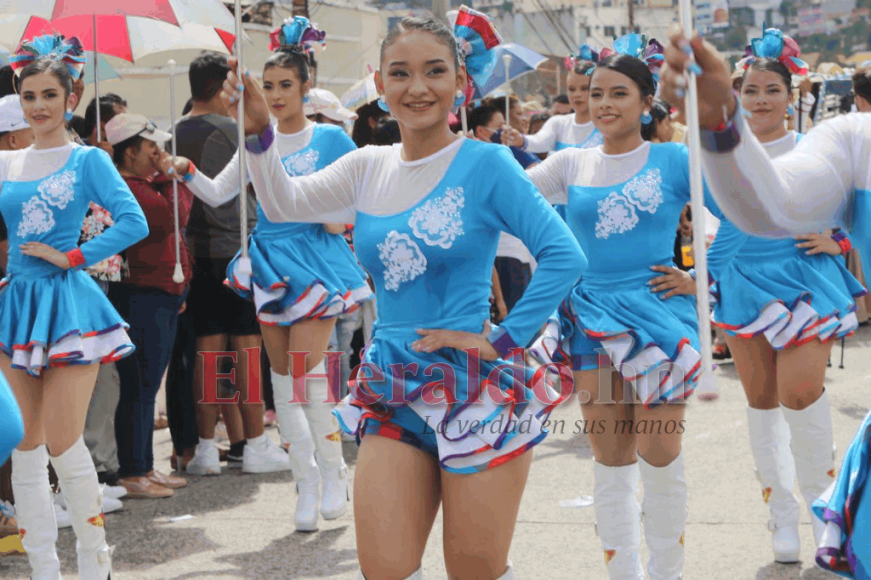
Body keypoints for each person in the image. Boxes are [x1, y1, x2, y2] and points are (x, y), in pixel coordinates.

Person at [219, 15, 586, 579]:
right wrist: (257, 137)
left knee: (474, 571)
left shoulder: (487, 164)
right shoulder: (367, 165)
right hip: (391, 379)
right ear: (380, 83)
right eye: (401, 73)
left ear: (460, 82)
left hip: (473, 386)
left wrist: (503, 339)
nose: (418, 87)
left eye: (434, 71)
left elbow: (564, 255)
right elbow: (284, 204)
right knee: (384, 568)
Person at [660, 24, 871, 578]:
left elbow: (849, 205)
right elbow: (695, 215)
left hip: (802, 276)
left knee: (799, 392)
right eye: (749, 90)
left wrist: (840, 242)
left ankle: (825, 515)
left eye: (771, 90)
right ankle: (779, 516)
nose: (759, 99)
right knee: (760, 401)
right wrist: (695, 272)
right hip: (739, 278)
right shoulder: (710, 148)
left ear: (792, 94)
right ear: (736, 95)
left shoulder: (816, 145)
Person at [185, 17, 373, 531]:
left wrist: (341, 219)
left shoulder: (332, 140)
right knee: (282, 379)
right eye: (266, 86)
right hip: (269, 261)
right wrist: (184, 171)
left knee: (308, 376)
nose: (274, 95)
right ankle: (306, 482)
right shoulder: (253, 141)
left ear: (306, 85)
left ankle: (333, 475)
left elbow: (365, 195)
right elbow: (218, 193)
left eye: (285, 85)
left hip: (316, 261)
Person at [525, 45, 703, 580]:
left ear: (647, 103)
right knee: (610, 455)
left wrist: (700, 279)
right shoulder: (572, 161)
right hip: (589, 319)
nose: (604, 103)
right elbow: (506, 199)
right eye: (596, 93)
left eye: (618, 94)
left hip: (657, 316)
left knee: (657, 449)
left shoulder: (675, 159)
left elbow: (733, 212)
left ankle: (666, 572)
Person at [2, 34, 148, 580]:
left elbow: (134, 221)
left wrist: (74, 256)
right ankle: (44, 566)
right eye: (28, 94)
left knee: (63, 442)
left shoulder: (88, 159)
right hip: (14, 306)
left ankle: (95, 564)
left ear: (71, 96)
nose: (38, 105)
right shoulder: (7, 163)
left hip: (68, 306)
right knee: (25, 445)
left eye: (48, 94)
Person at [172, 50, 274, 477]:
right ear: (221, 86)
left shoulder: (172, 133)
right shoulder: (235, 131)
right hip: (236, 251)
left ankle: (206, 451)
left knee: (206, 351)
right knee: (248, 349)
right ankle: (255, 446)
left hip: (192, 254)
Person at [105, 113, 215, 499]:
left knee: (148, 387)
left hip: (161, 294)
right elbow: (175, 216)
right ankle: (133, 470)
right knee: (140, 385)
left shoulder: (145, 184)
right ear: (130, 151)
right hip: (141, 294)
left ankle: (144, 467)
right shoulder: (129, 189)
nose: (159, 154)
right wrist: (175, 176)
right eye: (151, 148)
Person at [503, 47, 602, 152]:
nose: (577, 95)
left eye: (584, 88)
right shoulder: (558, 123)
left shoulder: (607, 125)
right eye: (572, 89)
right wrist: (519, 139)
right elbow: (538, 141)